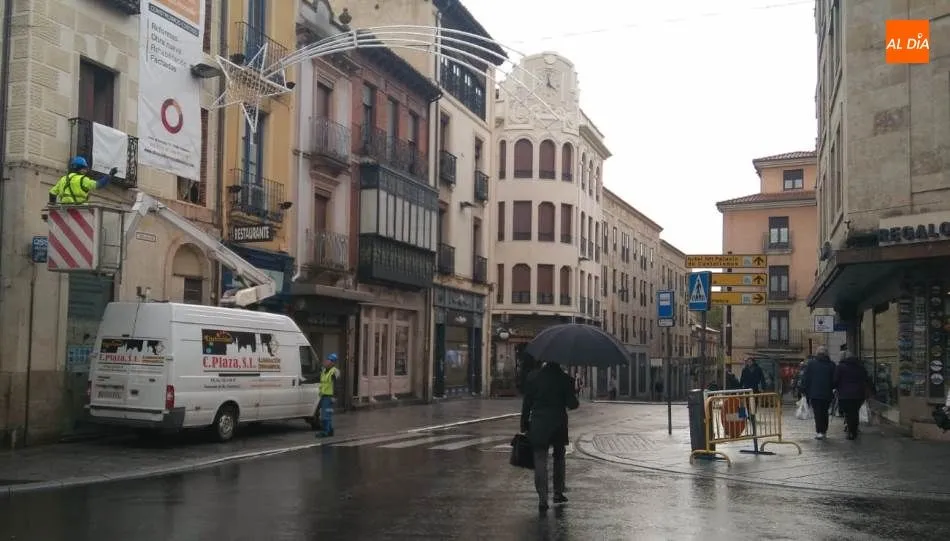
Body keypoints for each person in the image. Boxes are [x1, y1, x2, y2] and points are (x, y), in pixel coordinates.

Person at [520, 361, 579, 513]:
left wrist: (524, 424)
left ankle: (542, 498)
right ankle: (558, 493)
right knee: (559, 457)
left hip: (539, 423)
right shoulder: (565, 379)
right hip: (558, 424)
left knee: (540, 458)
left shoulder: (533, 377)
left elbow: (527, 403)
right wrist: (573, 392)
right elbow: (572, 404)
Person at [800, 346, 836, 439]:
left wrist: (803, 390)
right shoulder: (831, 365)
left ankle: (819, 431)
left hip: (814, 393)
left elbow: (806, 378)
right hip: (827, 393)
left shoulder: (811, 364)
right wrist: (832, 387)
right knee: (824, 412)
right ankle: (824, 431)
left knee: (817, 412)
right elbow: (834, 380)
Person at [49, 157, 117, 205]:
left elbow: (52, 193)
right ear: (78, 168)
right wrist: (109, 175)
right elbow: (98, 185)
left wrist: (53, 208)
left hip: (64, 211)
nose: (85, 171)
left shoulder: (63, 179)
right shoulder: (83, 179)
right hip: (80, 211)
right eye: (84, 168)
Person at [835, 353, 872, 440]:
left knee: (848, 413)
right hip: (858, 394)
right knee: (855, 412)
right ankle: (853, 431)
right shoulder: (860, 368)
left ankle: (851, 431)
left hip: (845, 394)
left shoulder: (840, 367)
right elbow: (867, 379)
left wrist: (836, 388)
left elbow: (835, 380)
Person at [315, 353, 340, 438]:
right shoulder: (324, 371)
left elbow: (336, 384)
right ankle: (329, 430)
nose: (326, 361)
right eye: (327, 360)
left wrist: (335, 396)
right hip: (324, 396)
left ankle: (325, 432)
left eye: (329, 360)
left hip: (329, 397)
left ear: (333, 362)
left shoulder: (333, 372)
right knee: (326, 414)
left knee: (325, 415)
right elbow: (321, 381)